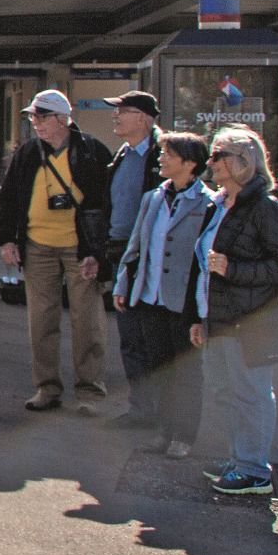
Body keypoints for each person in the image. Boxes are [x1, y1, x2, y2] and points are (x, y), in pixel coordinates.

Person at [191, 126, 278, 496]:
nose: (212, 162)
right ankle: (240, 459)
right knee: (225, 391)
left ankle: (254, 469)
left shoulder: (266, 209)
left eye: (218, 154)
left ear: (244, 161)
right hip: (218, 318)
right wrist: (199, 317)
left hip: (250, 321)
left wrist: (232, 269)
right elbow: (203, 266)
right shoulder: (219, 204)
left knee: (251, 394)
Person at [0, 88, 115, 413]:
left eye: (42, 116)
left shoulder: (91, 152)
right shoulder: (27, 153)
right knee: (41, 320)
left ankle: (90, 393)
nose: (35, 123)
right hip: (37, 246)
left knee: (87, 321)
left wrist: (99, 251)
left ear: (62, 119)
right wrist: (7, 239)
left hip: (80, 249)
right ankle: (47, 388)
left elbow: (105, 204)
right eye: (32, 117)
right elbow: (7, 198)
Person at [110, 130, 215, 458]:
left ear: (190, 163)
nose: (160, 158)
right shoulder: (153, 197)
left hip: (183, 303)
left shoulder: (208, 202)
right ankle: (163, 432)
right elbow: (136, 246)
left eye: (168, 154)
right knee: (159, 368)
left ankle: (183, 435)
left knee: (185, 373)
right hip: (150, 298)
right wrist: (123, 284)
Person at [97, 90, 164, 427]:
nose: (116, 116)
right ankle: (140, 409)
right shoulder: (122, 155)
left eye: (123, 110)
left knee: (153, 336)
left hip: (151, 258)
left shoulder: (162, 157)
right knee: (130, 336)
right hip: (121, 252)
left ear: (143, 118)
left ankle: (162, 412)